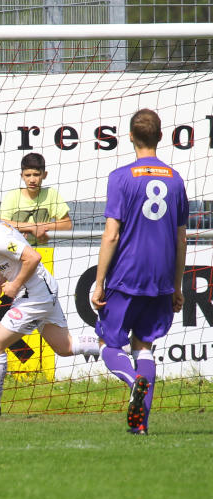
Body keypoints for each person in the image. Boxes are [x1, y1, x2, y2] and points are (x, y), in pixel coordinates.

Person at [0, 189, 99, 420]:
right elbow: (13, 261)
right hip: (42, 290)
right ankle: (122, 347)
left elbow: (33, 257)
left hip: (35, 296)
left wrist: (15, 285)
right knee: (65, 347)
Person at [91, 108, 188, 436]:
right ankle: (139, 425)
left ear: (130, 136)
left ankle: (134, 383)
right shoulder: (175, 179)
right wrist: (177, 286)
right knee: (144, 346)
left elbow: (111, 234)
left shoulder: (120, 177)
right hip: (161, 278)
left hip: (127, 274)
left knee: (107, 343)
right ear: (161, 136)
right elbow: (181, 238)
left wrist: (99, 282)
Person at [0, 152, 72, 245]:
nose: (32, 180)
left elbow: (67, 224)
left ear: (44, 175)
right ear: (22, 176)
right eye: (28, 175)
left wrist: (40, 227)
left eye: (36, 175)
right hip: (15, 250)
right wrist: (31, 227)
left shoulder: (51, 194)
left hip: (42, 251)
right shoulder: (12, 196)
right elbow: (0, 224)